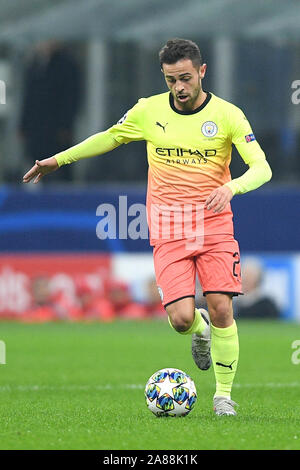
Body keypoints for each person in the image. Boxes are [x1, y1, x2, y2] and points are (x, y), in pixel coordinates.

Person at [23, 38, 272, 416]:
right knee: (181, 319)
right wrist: (58, 160)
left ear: (202, 72)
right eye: (171, 80)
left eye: (186, 78)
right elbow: (110, 136)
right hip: (169, 226)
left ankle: (223, 396)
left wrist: (230, 187)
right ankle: (199, 332)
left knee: (222, 306)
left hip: (214, 225)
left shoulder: (228, 115)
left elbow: (262, 168)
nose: (180, 88)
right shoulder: (147, 110)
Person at [19, 40, 81, 182]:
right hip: (36, 129)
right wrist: (23, 124)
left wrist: (66, 126)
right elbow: (28, 98)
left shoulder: (67, 65)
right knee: (35, 161)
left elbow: (71, 98)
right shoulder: (34, 64)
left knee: (60, 166)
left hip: (56, 129)